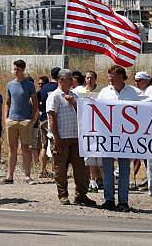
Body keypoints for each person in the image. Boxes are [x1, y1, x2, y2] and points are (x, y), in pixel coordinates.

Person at [47, 69, 96, 206]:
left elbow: (84, 112)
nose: (72, 81)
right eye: (69, 79)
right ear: (61, 80)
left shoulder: (74, 94)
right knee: (60, 169)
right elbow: (51, 117)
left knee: (81, 169)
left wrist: (74, 103)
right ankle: (63, 195)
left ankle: (81, 195)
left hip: (76, 138)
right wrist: (56, 138)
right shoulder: (54, 96)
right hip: (61, 138)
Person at [98, 65, 141, 212]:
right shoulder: (104, 92)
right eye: (109, 74)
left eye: (113, 75)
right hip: (108, 136)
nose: (110, 77)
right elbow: (96, 111)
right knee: (107, 168)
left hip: (126, 137)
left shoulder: (133, 93)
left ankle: (123, 201)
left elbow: (141, 111)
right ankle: (109, 199)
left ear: (122, 76)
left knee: (124, 169)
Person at [2, 60, 39, 185]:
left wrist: (32, 120)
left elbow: (35, 104)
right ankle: (9, 176)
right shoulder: (10, 85)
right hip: (12, 120)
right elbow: (7, 102)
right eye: (14, 68)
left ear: (22, 69)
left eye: (17, 69)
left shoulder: (29, 84)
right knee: (12, 148)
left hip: (25, 120)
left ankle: (27, 175)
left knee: (25, 148)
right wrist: (5, 118)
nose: (15, 71)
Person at [37, 67, 60, 179]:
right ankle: (53, 170)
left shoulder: (43, 88)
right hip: (54, 119)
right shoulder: (59, 88)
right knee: (54, 145)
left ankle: (42, 170)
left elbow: (37, 101)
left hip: (42, 119)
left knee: (43, 145)